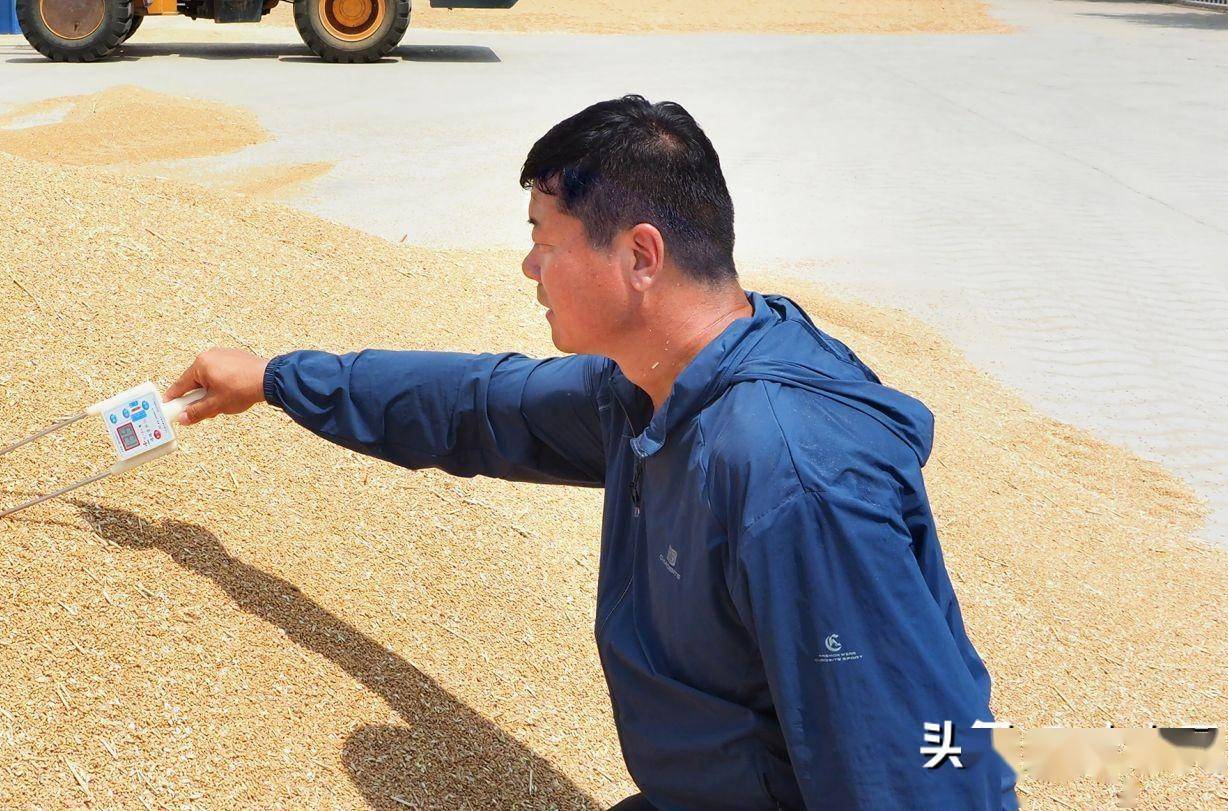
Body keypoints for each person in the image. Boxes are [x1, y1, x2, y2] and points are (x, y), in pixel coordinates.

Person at [168, 96, 1016, 811]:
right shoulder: (649, 389)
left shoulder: (788, 476)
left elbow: (918, 771)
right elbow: (477, 404)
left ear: (639, 256)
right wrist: (277, 378)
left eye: (545, 235)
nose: (528, 263)